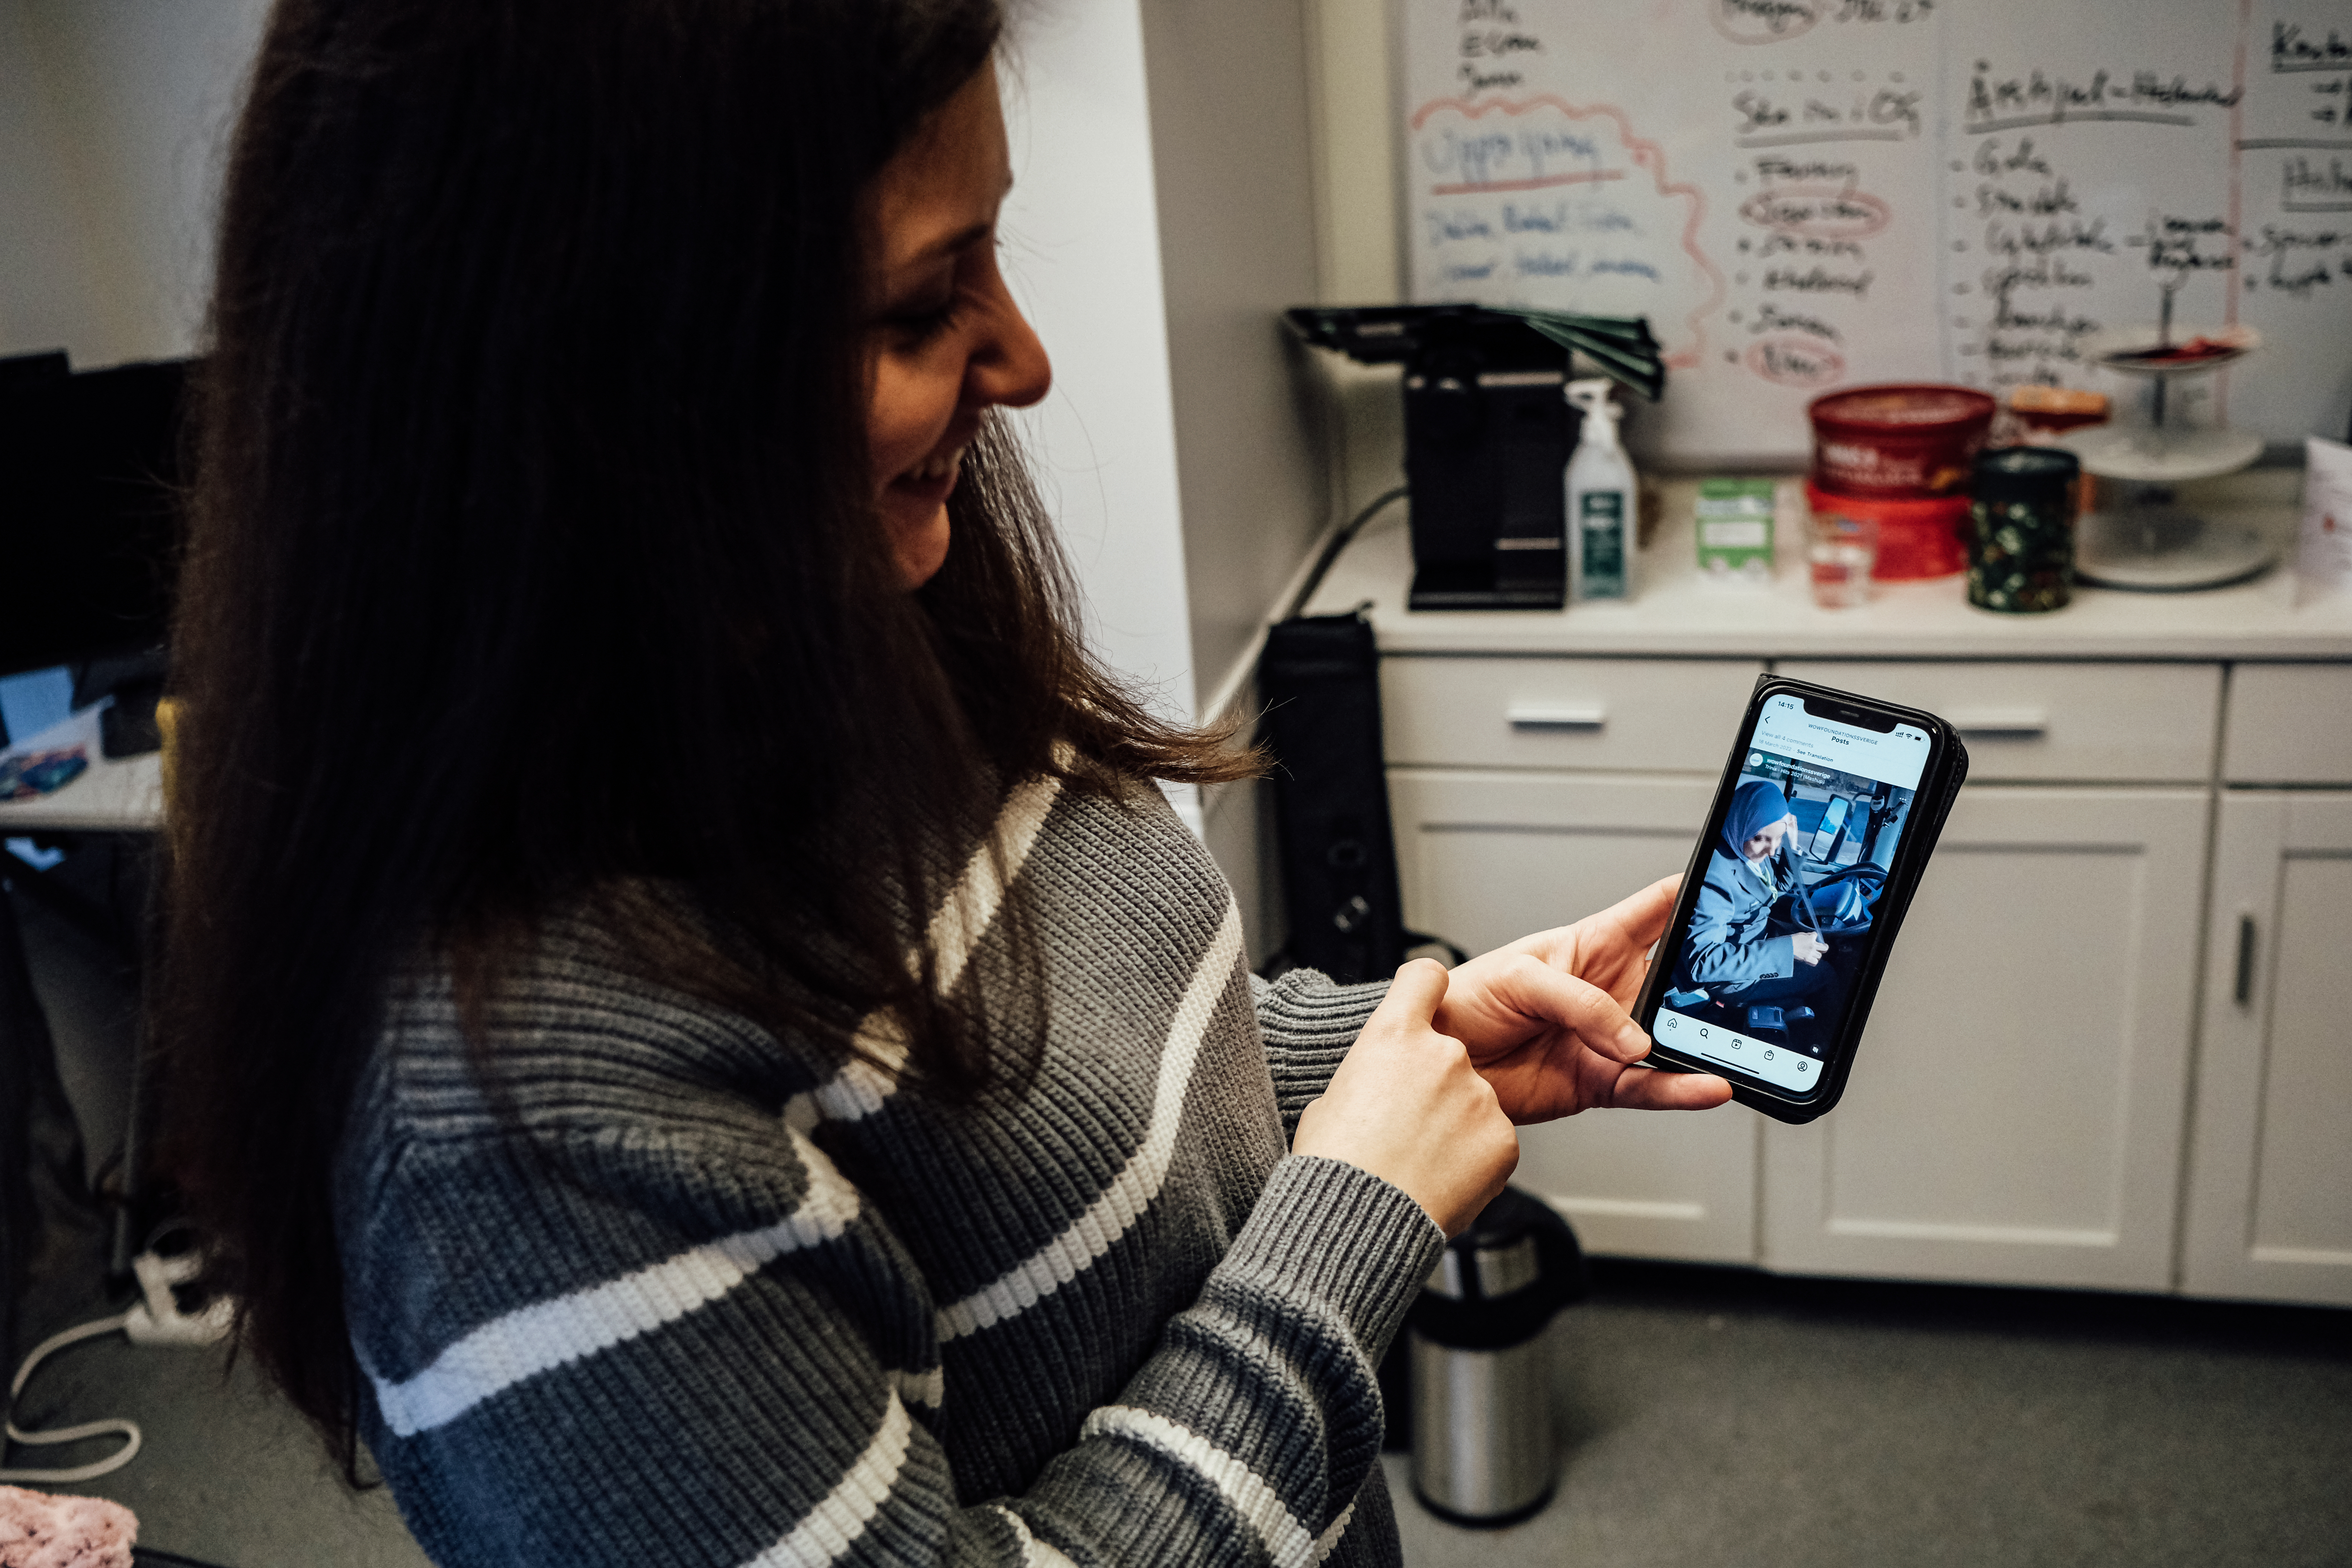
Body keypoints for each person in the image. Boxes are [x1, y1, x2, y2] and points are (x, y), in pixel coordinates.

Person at [157, 4, 1731, 1565]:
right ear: (601, 374)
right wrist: (1353, 1224)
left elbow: (1062, 1080)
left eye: (996, 252)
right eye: (919, 307)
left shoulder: (868, 643)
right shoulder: (522, 1141)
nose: (1027, 363)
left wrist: (1397, 1042)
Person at [1677, 779, 1836, 1009]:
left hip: (1760, 937)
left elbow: (1774, 889)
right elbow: (1703, 963)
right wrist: (1789, 948)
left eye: (1779, 838)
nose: (1772, 851)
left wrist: (1791, 845)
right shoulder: (1713, 877)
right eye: (1761, 838)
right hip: (1735, 976)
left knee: (1828, 953)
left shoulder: (1746, 848)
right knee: (1826, 974)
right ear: (1741, 823)